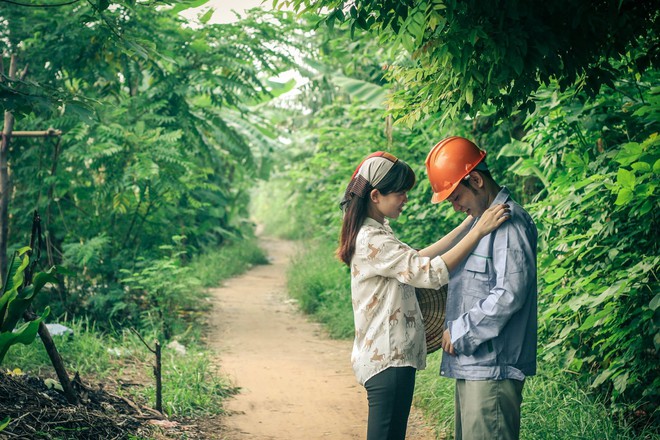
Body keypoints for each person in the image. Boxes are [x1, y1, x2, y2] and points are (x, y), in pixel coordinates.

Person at [337, 151, 511, 440]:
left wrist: (469, 224)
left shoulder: (377, 231)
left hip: (389, 357)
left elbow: (415, 259)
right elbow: (427, 272)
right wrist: (478, 231)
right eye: (401, 192)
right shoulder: (372, 239)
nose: (406, 198)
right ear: (376, 195)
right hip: (388, 359)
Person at [425, 136, 538, 440]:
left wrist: (460, 331)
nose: (455, 206)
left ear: (475, 179)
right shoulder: (482, 222)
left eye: (456, 197)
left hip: (494, 371)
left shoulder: (508, 223)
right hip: (476, 367)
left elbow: (509, 293)